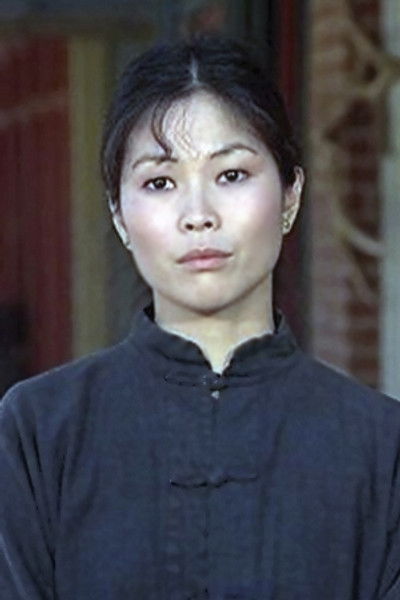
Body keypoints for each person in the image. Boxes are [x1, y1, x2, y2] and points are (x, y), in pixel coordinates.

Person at [0, 36, 399, 600]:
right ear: (119, 215)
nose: (198, 215)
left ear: (290, 195)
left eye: (231, 175)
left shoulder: (380, 445)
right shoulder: (38, 433)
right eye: (160, 183)